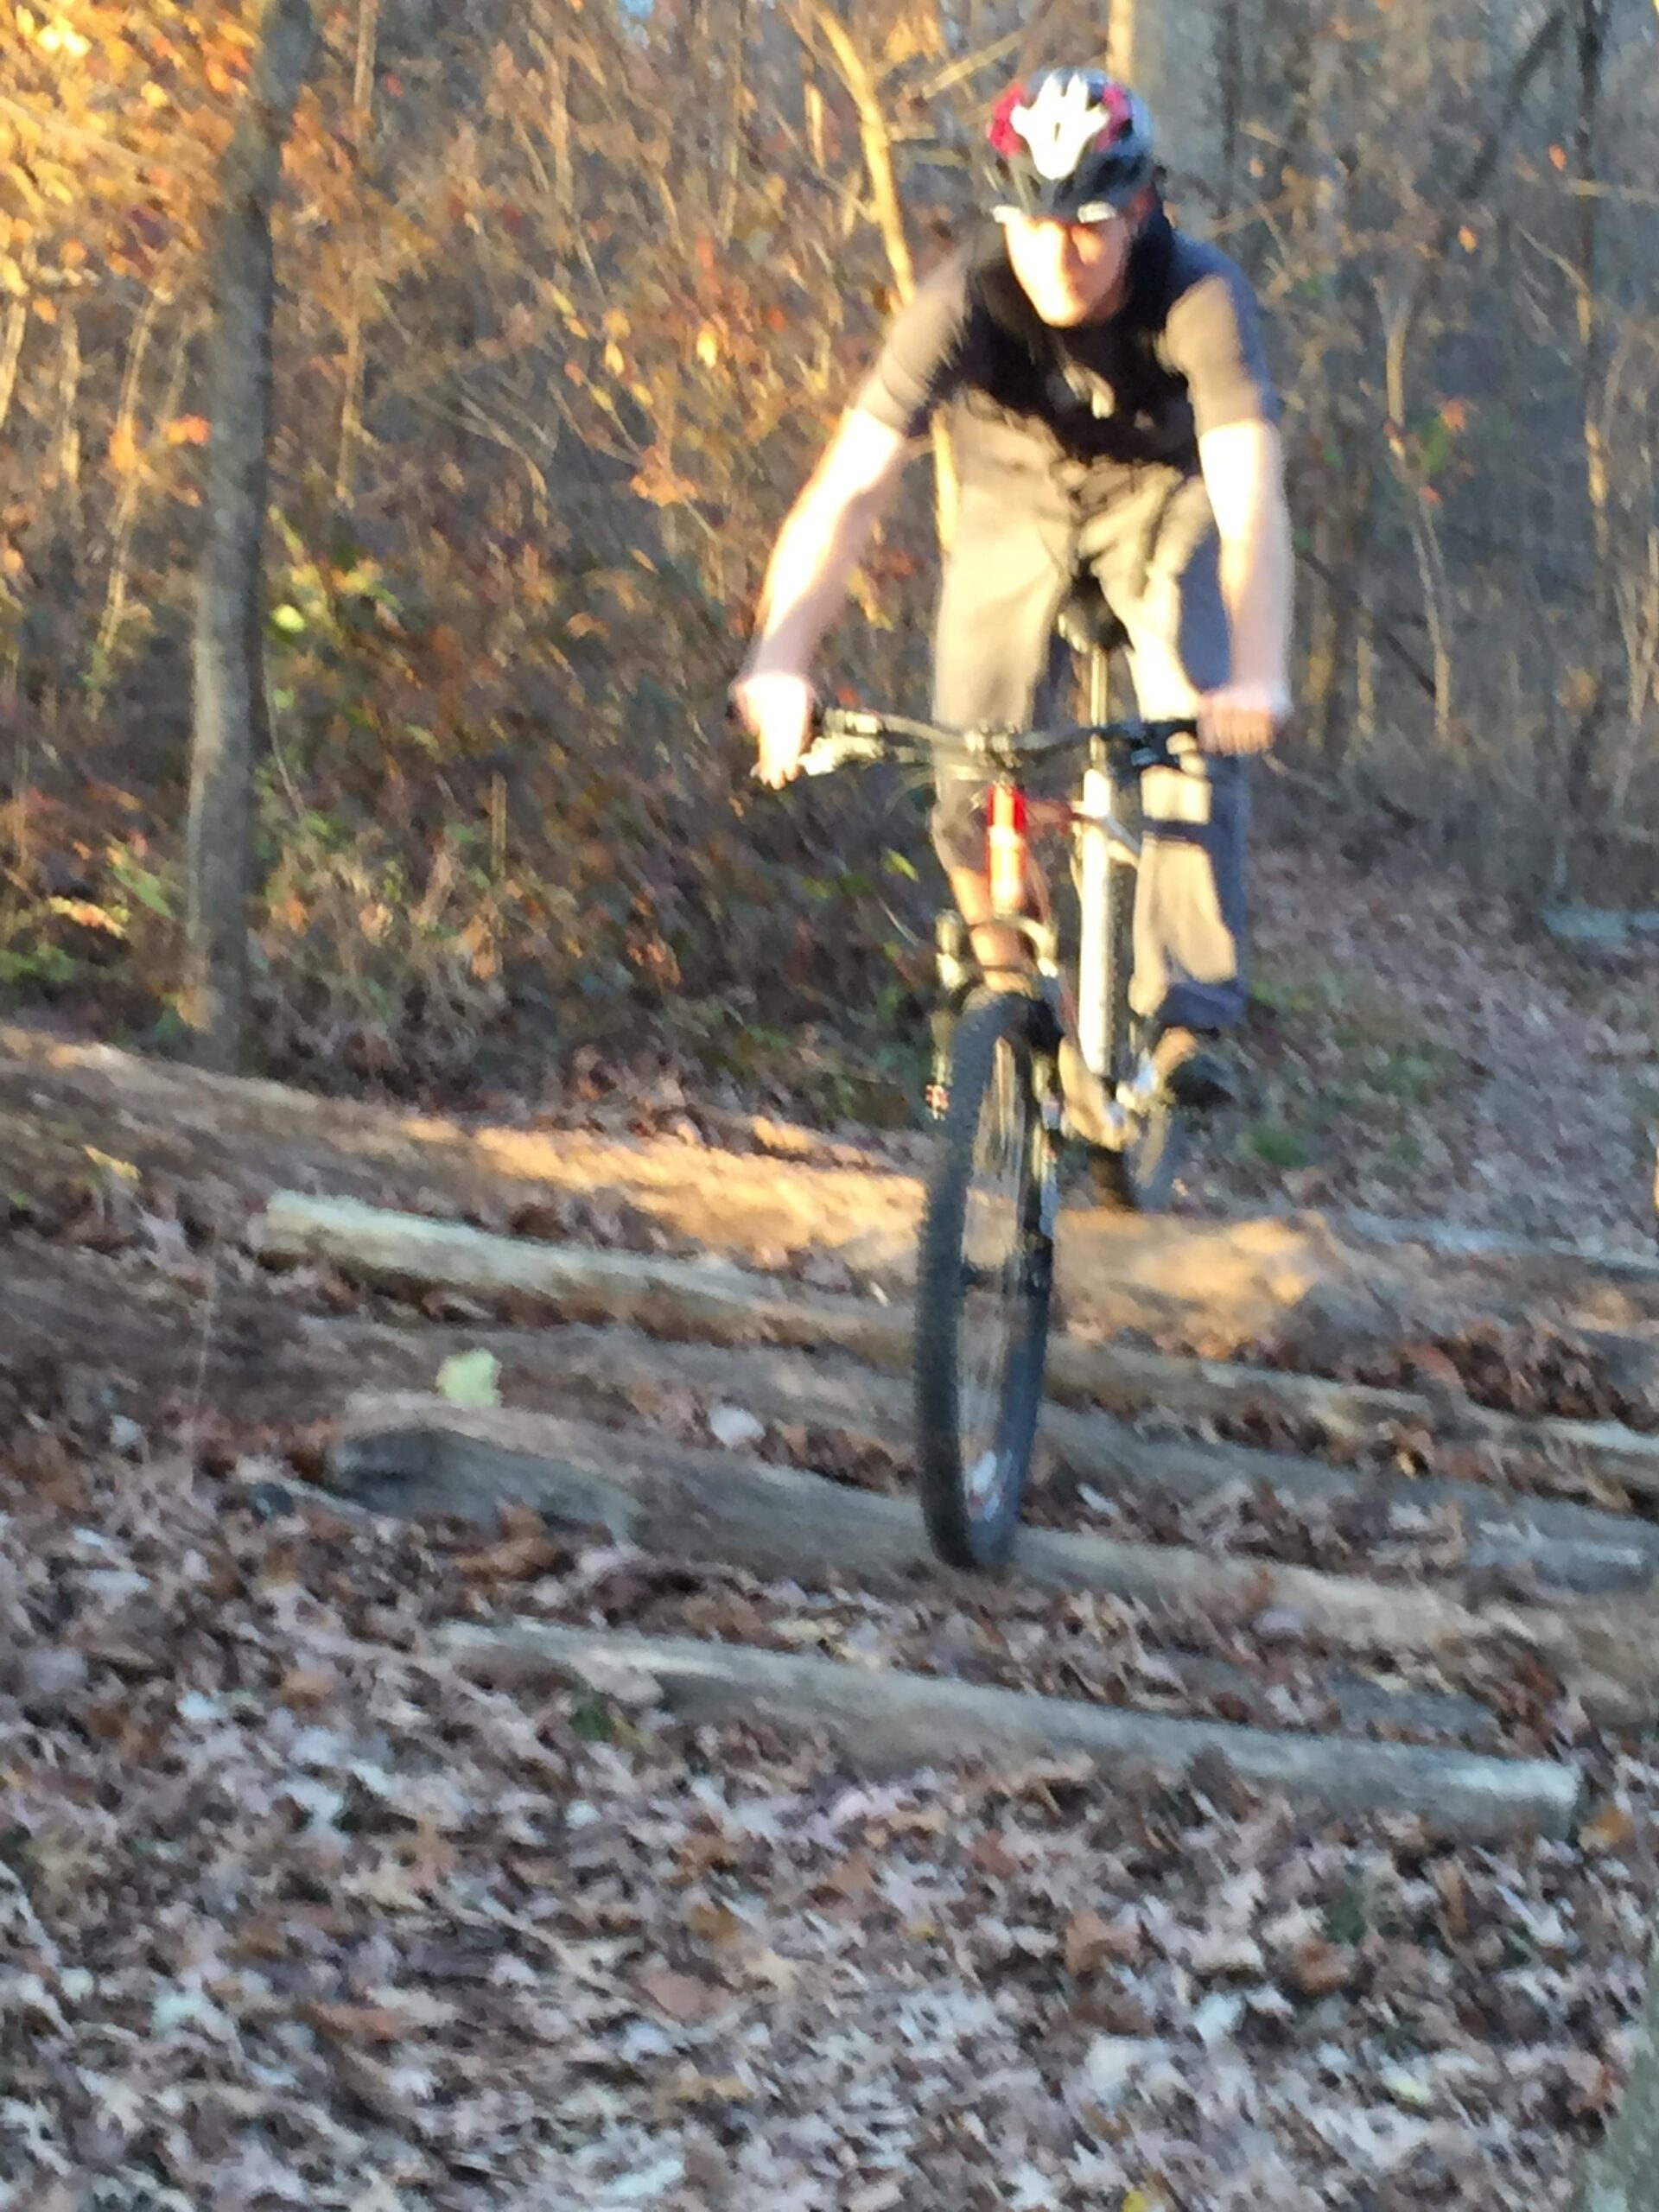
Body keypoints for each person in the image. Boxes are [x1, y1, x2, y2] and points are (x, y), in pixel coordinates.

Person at [730, 66, 1293, 1126]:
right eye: (1033, 226)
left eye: (1086, 226)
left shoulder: (1201, 295)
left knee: (1183, 693)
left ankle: (1184, 1022)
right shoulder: (961, 298)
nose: (1058, 255)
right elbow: (847, 491)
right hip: (1013, 499)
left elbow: (1253, 505)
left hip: (1162, 501)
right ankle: (1003, 980)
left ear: (1137, 211)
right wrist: (779, 658)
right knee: (969, 746)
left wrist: (1256, 674)